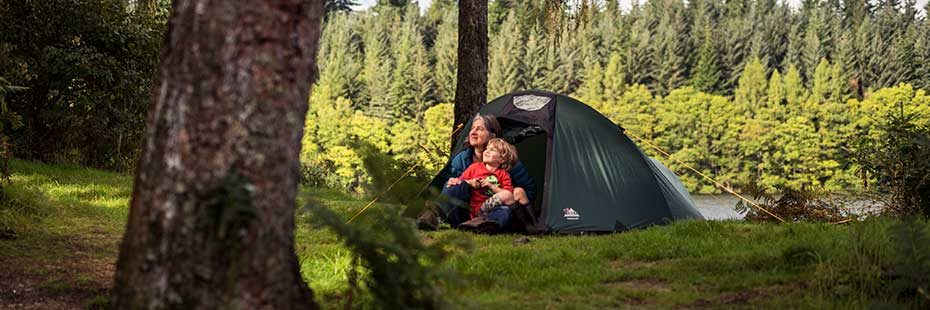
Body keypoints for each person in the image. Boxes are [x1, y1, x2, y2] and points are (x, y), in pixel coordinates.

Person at [418, 114, 535, 232]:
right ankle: (431, 216)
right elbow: (449, 186)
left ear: (492, 135)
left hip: (497, 209)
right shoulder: (463, 158)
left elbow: (527, 191)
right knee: (457, 184)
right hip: (468, 209)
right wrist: (454, 182)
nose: (473, 132)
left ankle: (480, 225)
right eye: (472, 128)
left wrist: (508, 196)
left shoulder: (507, 160)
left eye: (480, 129)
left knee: (504, 210)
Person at [456, 138, 516, 224]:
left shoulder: (503, 174)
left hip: (495, 209)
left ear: (501, 159)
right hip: (478, 208)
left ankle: (483, 224)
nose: (486, 151)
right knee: (507, 198)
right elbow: (461, 182)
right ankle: (477, 220)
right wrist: (471, 182)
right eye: (487, 148)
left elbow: (508, 195)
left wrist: (492, 186)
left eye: (492, 150)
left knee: (505, 211)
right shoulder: (475, 168)